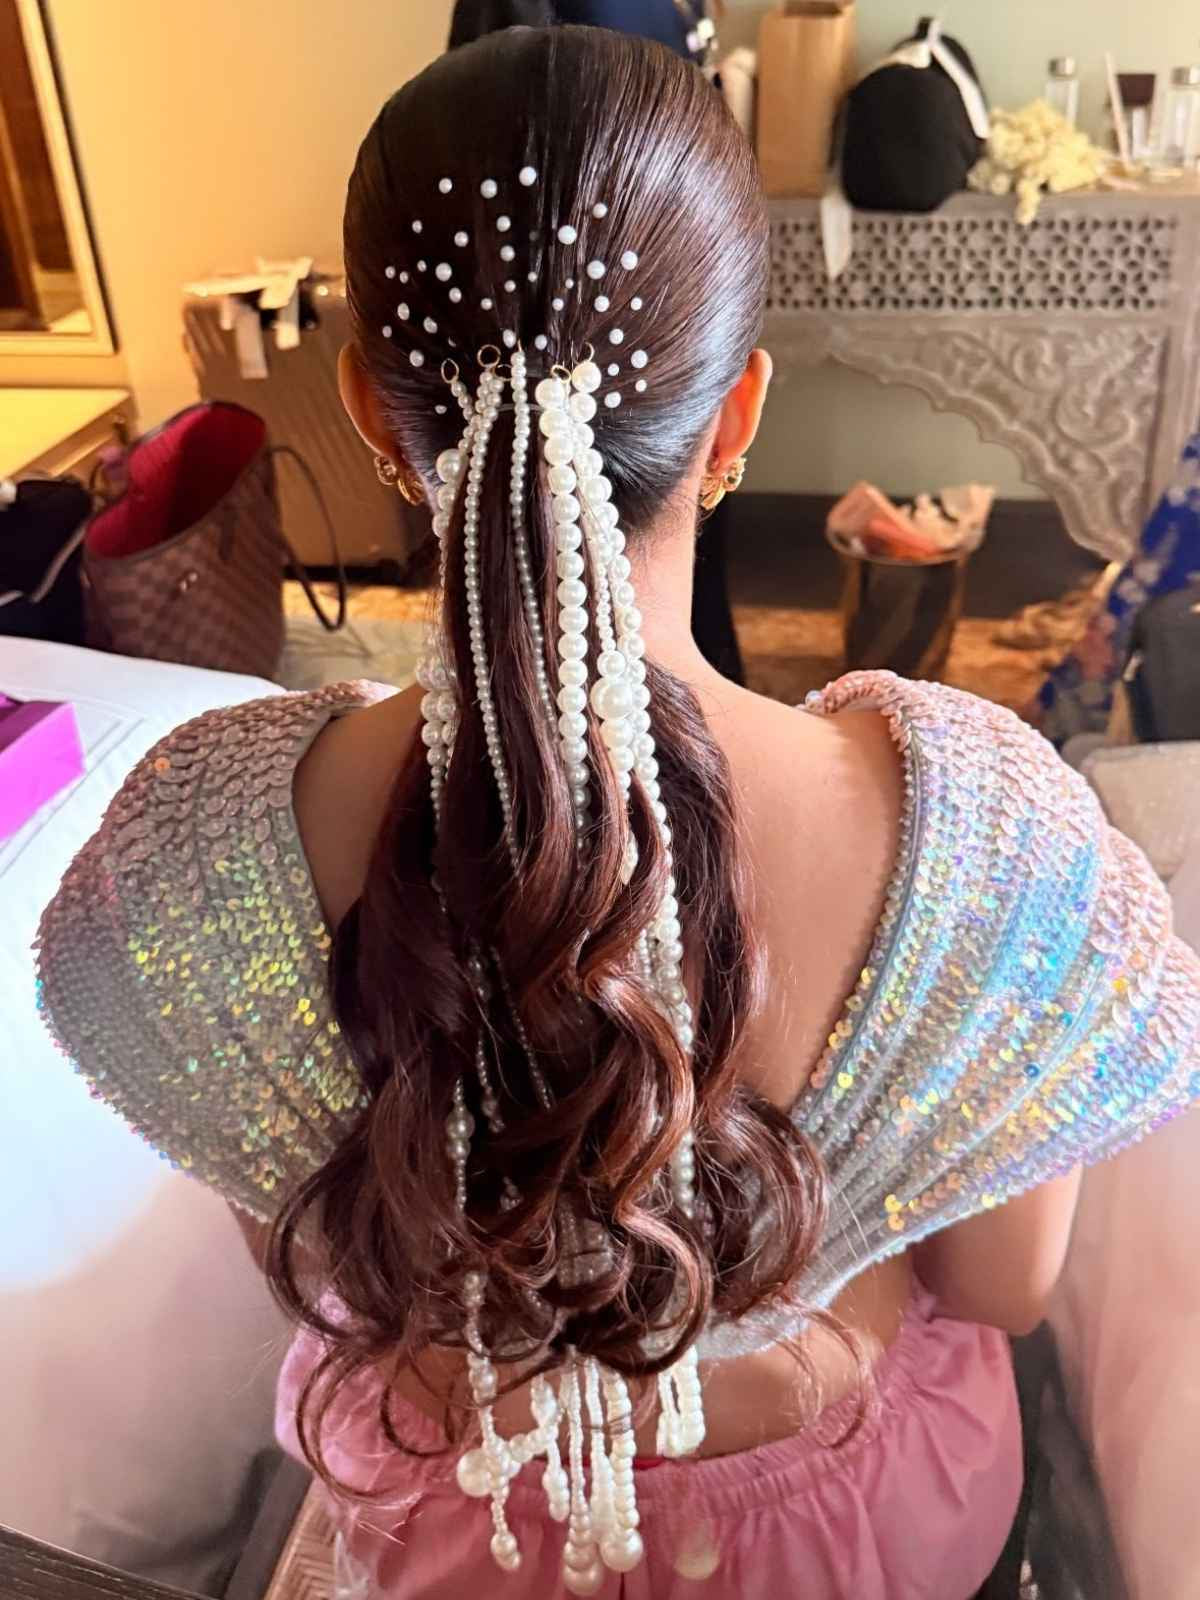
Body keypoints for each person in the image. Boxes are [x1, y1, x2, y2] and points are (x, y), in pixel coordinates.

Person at [37, 26, 1200, 1600]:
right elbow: (1001, 1290)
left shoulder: (203, 847)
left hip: (466, 1531)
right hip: (862, 1541)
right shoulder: (989, 837)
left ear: (381, 420)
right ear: (738, 422)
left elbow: (323, 1274)